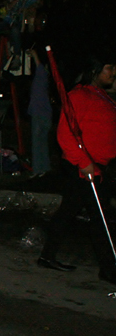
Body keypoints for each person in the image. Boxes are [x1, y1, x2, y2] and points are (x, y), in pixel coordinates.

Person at [37, 54, 116, 283]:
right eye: (109, 68)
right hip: (85, 167)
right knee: (102, 217)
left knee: (69, 211)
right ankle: (109, 268)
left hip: (98, 165)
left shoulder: (102, 96)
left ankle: (48, 255)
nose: (112, 73)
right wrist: (85, 163)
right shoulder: (79, 95)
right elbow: (65, 134)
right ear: (96, 70)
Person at [27, 47, 52, 177]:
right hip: (45, 115)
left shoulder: (42, 76)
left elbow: (39, 66)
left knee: (37, 144)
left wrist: (34, 53)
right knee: (43, 143)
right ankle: (44, 168)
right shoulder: (44, 80)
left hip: (39, 114)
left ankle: (37, 169)